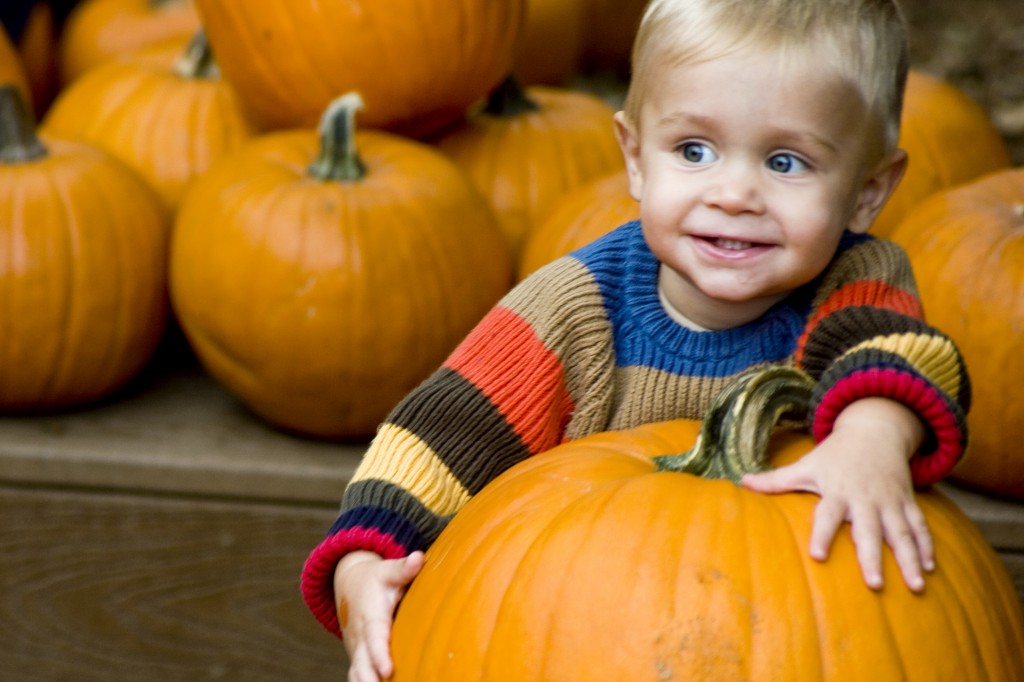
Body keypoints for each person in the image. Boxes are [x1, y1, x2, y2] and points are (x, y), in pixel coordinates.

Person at [302, 0, 972, 679]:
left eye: (786, 161)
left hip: (796, 631)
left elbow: (895, 354)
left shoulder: (854, 281)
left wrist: (872, 440)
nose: (734, 193)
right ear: (635, 159)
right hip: (585, 627)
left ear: (867, 190)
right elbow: (443, 434)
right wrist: (363, 563)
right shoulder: (577, 305)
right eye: (694, 150)